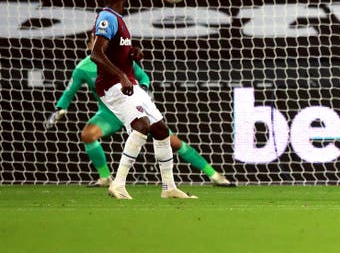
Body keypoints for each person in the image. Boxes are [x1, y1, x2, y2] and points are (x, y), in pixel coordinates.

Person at [46, 35, 234, 189]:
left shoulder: (121, 60)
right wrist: (59, 109)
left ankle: (214, 175)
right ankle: (105, 178)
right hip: (109, 114)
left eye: (101, 40)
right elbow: (69, 91)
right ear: (89, 45)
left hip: (134, 108)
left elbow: (143, 77)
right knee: (88, 135)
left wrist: (144, 89)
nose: (99, 44)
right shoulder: (82, 68)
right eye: (94, 41)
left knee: (172, 142)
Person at [90, 0, 195, 199]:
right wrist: (120, 75)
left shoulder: (118, 19)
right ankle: (117, 184)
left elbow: (115, 53)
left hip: (128, 81)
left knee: (161, 130)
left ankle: (169, 188)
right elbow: (96, 53)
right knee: (141, 126)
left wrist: (132, 54)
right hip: (113, 85)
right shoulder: (108, 17)